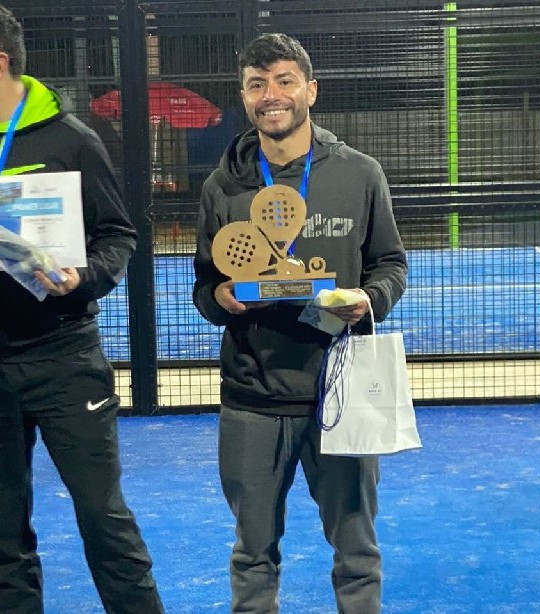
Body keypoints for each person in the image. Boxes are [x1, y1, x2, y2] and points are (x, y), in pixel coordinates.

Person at [193, 33, 407, 613]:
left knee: (357, 551)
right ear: (244, 97)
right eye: (256, 84)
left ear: (310, 90)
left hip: (341, 392)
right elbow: (204, 285)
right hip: (253, 399)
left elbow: (390, 264)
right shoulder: (222, 185)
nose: (271, 94)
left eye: (284, 81)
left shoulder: (360, 174)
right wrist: (222, 298)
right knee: (252, 553)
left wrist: (368, 299)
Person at [0, 5, 164, 613]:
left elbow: (118, 234)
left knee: (103, 518)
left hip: (64, 359)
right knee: (2, 532)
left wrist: (83, 278)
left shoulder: (71, 139)